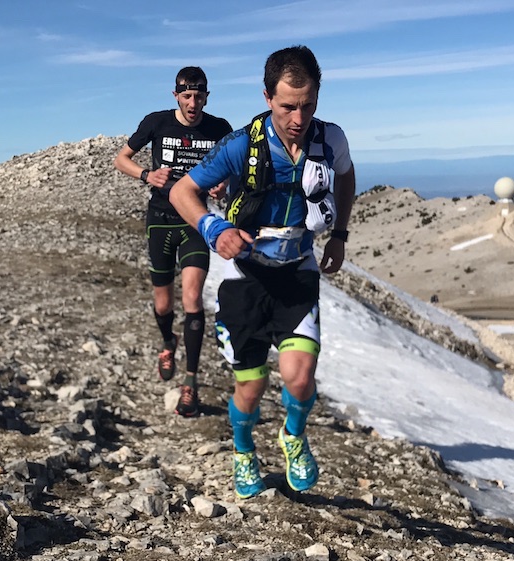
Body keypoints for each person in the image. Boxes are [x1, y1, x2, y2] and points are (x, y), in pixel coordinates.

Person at [170, 45, 355, 497]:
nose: (299, 117)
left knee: (300, 376)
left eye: (308, 104)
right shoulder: (239, 146)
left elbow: (346, 177)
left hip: (296, 270)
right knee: (250, 387)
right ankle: (243, 451)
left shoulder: (331, 140)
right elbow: (182, 192)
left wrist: (340, 234)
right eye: (288, 105)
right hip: (244, 279)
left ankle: (292, 436)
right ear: (268, 96)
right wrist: (215, 229)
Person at [114, 67, 233, 417]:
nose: (193, 103)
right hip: (161, 221)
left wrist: (223, 184)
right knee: (163, 304)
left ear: (207, 96)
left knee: (193, 297)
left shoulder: (220, 129)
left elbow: (233, 168)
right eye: (187, 96)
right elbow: (120, 159)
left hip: (196, 221)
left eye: (199, 96)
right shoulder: (157, 122)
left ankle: (190, 383)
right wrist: (147, 174)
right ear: (176, 96)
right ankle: (169, 342)